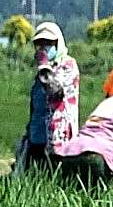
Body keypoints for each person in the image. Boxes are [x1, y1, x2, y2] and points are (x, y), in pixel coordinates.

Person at [15, 22, 80, 175]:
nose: (43, 48)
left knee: (54, 174)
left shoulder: (67, 65)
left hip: (58, 135)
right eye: (39, 44)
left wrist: (45, 69)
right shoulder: (41, 71)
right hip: (37, 135)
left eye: (48, 43)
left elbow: (57, 91)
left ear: (58, 44)